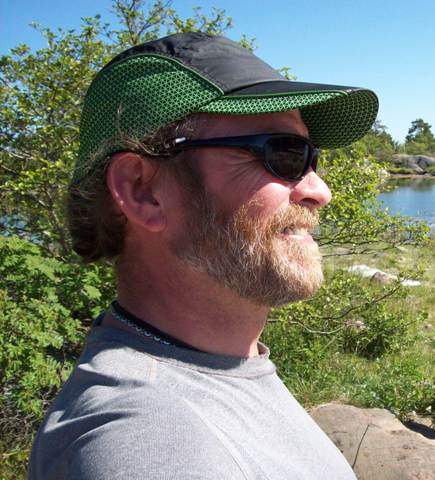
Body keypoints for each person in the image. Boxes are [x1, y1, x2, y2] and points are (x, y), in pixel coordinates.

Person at [28, 32, 378, 479]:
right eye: (283, 153)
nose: (319, 191)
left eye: (311, 158)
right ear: (143, 191)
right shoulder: (144, 443)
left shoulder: (220, 367)